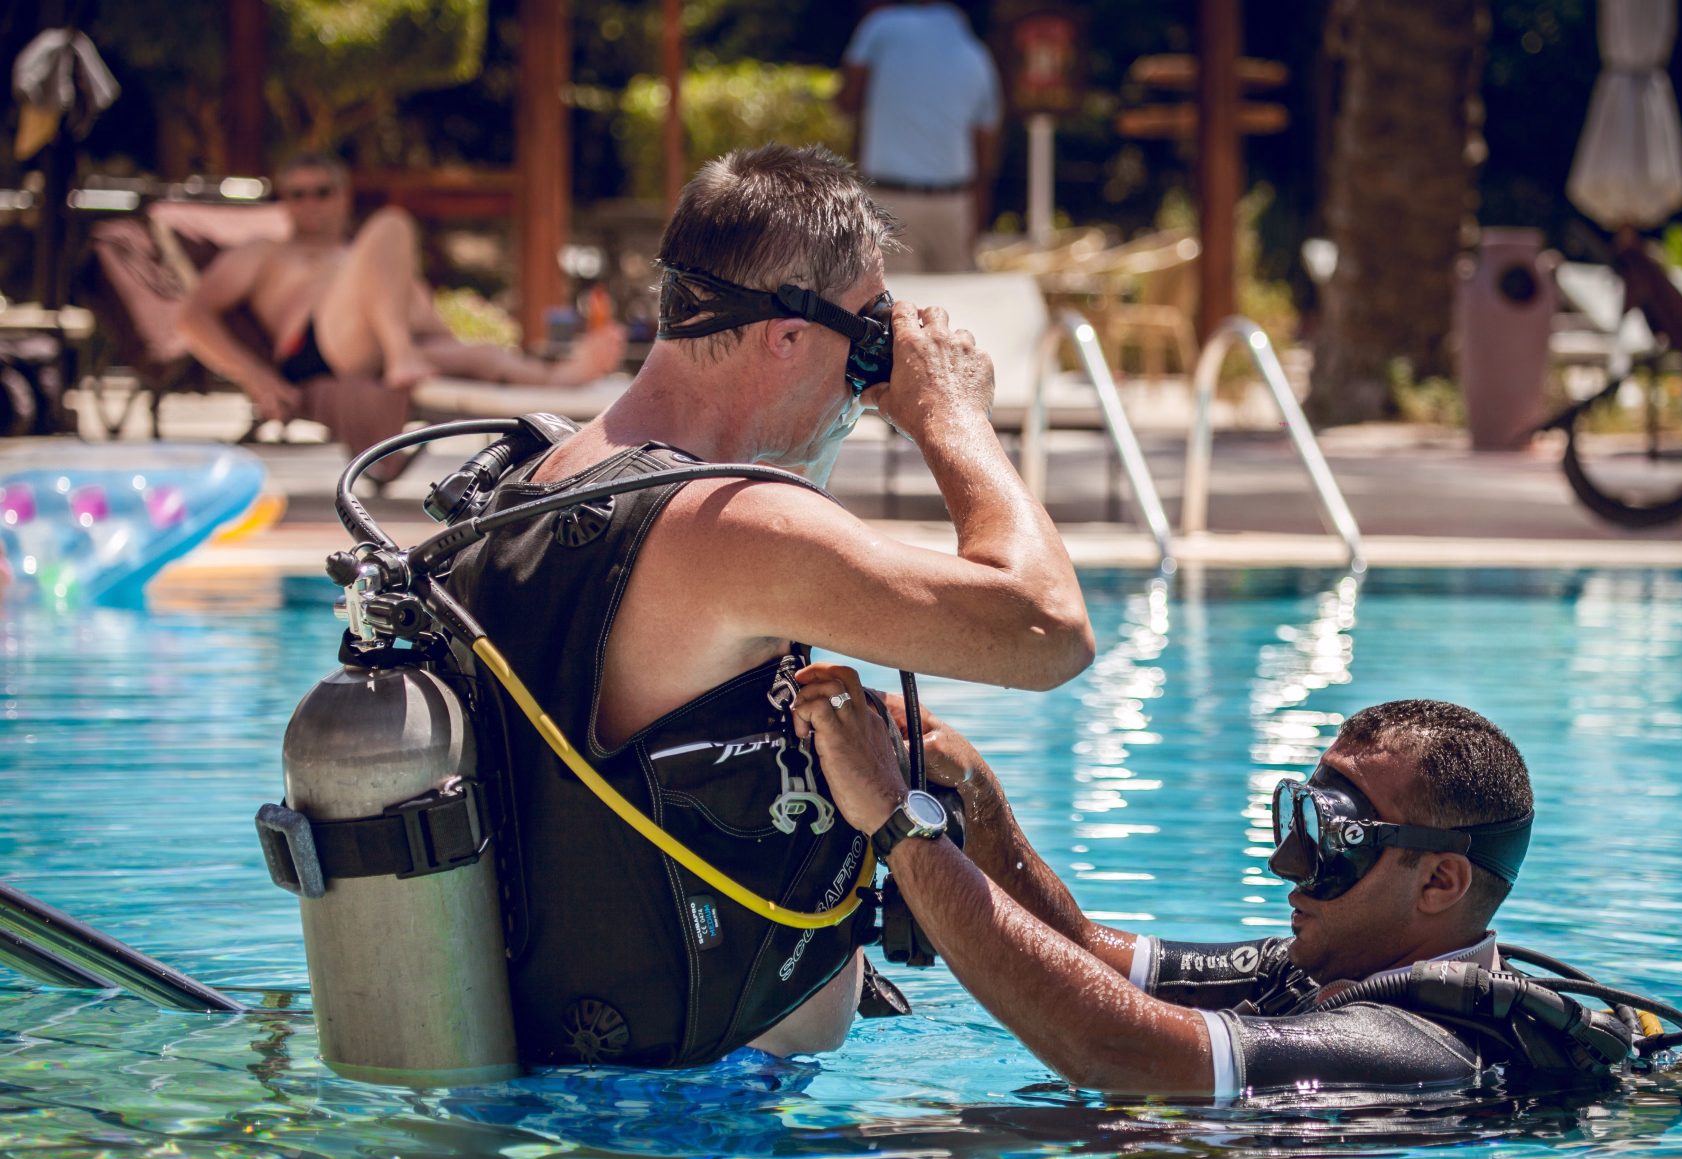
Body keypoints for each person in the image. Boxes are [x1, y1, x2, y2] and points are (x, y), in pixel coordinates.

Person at [444, 144, 1093, 1071]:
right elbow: (1048, 631)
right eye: (871, 333)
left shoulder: (543, 478)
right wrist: (950, 415)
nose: (876, 380)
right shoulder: (729, 526)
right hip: (709, 1120)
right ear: (787, 333)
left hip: (584, 1066)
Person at [792, 682, 1648, 1098]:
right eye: (1299, 819)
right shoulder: (1318, 967)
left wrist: (901, 829)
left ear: (1442, 882)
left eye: (1332, 840)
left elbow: (1112, 1050)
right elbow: (1089, 955)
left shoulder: (1419, 1044)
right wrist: (974, 794)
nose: (1288, 866)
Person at [177, 152, 626, 426]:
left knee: (485, 355)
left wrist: (451, 350)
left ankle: (557, 378)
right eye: (297, 194)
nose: (309, 203)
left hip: (382, 340)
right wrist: (253, 375)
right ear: (283, 201)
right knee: (392, 223)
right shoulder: (263, 252)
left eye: (322, 191)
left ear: (344, 195)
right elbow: (190, 316)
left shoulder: (362, 257)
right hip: (316, 349)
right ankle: (401, 356)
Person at [838, 1, 1002, 273]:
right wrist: (975, 223)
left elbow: (848, 99)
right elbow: (984, 153)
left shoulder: (882, 26)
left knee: (888, 308)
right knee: (954, 307)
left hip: (890, 200)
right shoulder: (978, 56)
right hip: (953, 204)